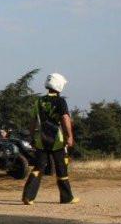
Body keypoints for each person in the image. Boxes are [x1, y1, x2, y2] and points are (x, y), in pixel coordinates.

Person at [22, 73, 79, 205]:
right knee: (61, 167)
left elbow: (33, 120)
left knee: (38, 167)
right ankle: (66, 197)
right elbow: (65, 119)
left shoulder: (39, 101)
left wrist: (31, 136)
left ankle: (28, 196)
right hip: (56, 140)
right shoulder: (60, 101)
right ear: (59, 85)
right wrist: (69, 136)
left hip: (41, 139)